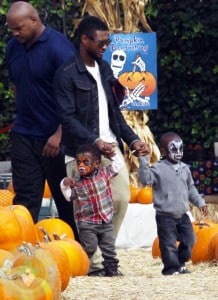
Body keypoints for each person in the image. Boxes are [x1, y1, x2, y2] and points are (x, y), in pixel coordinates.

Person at [53, 15, 150, 275]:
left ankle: (104, 251)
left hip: (110, 147)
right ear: (84, 40)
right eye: (101, 42)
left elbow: (115, 113)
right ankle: (95, 264)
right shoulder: (66, 74)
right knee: (85, 210)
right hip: (83, 153)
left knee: (120, 199)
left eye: (107, 42)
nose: (106, 46)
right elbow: (67, 118)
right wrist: (95, 141)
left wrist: (133, 140)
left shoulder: (105, 69)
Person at [5, 1, 79, 241]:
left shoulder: (60, 49)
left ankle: (75, 250)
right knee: (24, 200)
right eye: (11, 30)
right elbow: (18, 84)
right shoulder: (13, 47)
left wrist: (59, 134)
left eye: (18, 28)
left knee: (65, 197)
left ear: (34, 21)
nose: (14, 34)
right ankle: (22, 249)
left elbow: (75, 96)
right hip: (24, 133)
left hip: (56, 137)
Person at [138, 132, 208, 275]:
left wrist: (200, 203)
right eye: (174, 149)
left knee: (190, 240)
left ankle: (181, 263)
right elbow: (145, 180)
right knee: (168, 244)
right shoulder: (158, 169)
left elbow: (190, 189)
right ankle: (170, 268)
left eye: (181, 149)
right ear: (163, 151)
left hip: (183, 214)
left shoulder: (185, 168)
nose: (179, 153)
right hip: (165, 216)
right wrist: (144, 160)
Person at [60, 144, 123, 276]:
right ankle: (82, 267)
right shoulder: (77, 183)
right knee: (89, 247)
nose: (81, 166)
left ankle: (111, 269)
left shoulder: (104, 173)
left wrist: (113, 155)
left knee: (109, 247)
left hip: (106, 220)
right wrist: (64, 185)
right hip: (87, 223)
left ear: (97, 164)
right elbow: (69, 197)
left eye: (86, 162)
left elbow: (118, 165)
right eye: (78, 162)